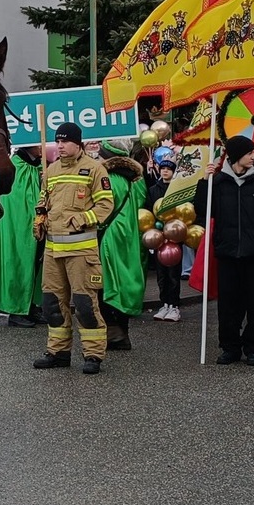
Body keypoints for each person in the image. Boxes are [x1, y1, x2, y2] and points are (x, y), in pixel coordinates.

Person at [32, 122, 116, 374]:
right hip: (53, 250)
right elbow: (43, 200)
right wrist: (40, 218)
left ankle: (93, 355)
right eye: (58, 141)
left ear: (78, 144)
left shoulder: (94, 169)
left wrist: (83, 219)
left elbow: (105, 205)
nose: (60, 145)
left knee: (84, 305)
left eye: (65, 141)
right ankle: (58, 352)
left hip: (81, 252)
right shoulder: (51, 170)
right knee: (52, 305)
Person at [194, 135, 254, 365]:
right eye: (249, 153)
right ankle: (229, 347)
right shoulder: (219, 182)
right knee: (228, 305)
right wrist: (205, 180)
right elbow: (203, 209)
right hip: (227, 253)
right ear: (236, 156)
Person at [0, 145, 46, 327]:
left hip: (38, 223)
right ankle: (16, 309)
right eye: (39, 145)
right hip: (19, 226)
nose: (43, 148)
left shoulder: (39, 167)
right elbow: (17, 202)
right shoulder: (15, 167)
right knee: (19, 260)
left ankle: (32, 306)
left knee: (37, 262)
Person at [97, 140, 147, 353]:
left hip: (110, 237)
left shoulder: (106, 179)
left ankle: (113, 333)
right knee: (125, 280)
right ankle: (122, 331)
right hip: (130, 236)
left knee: (107, 283)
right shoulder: (137, 181)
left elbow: (101, 210)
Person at [146, 157, 183, 321]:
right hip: (158, 236)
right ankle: (165, 304)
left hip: (174, 236)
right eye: (162, 168)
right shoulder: (153, 189)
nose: (165, 171)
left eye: (169, 169)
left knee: (174, 274)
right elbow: (148, 210)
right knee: (162, 274)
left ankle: (174, 306)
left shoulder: (178, 189)